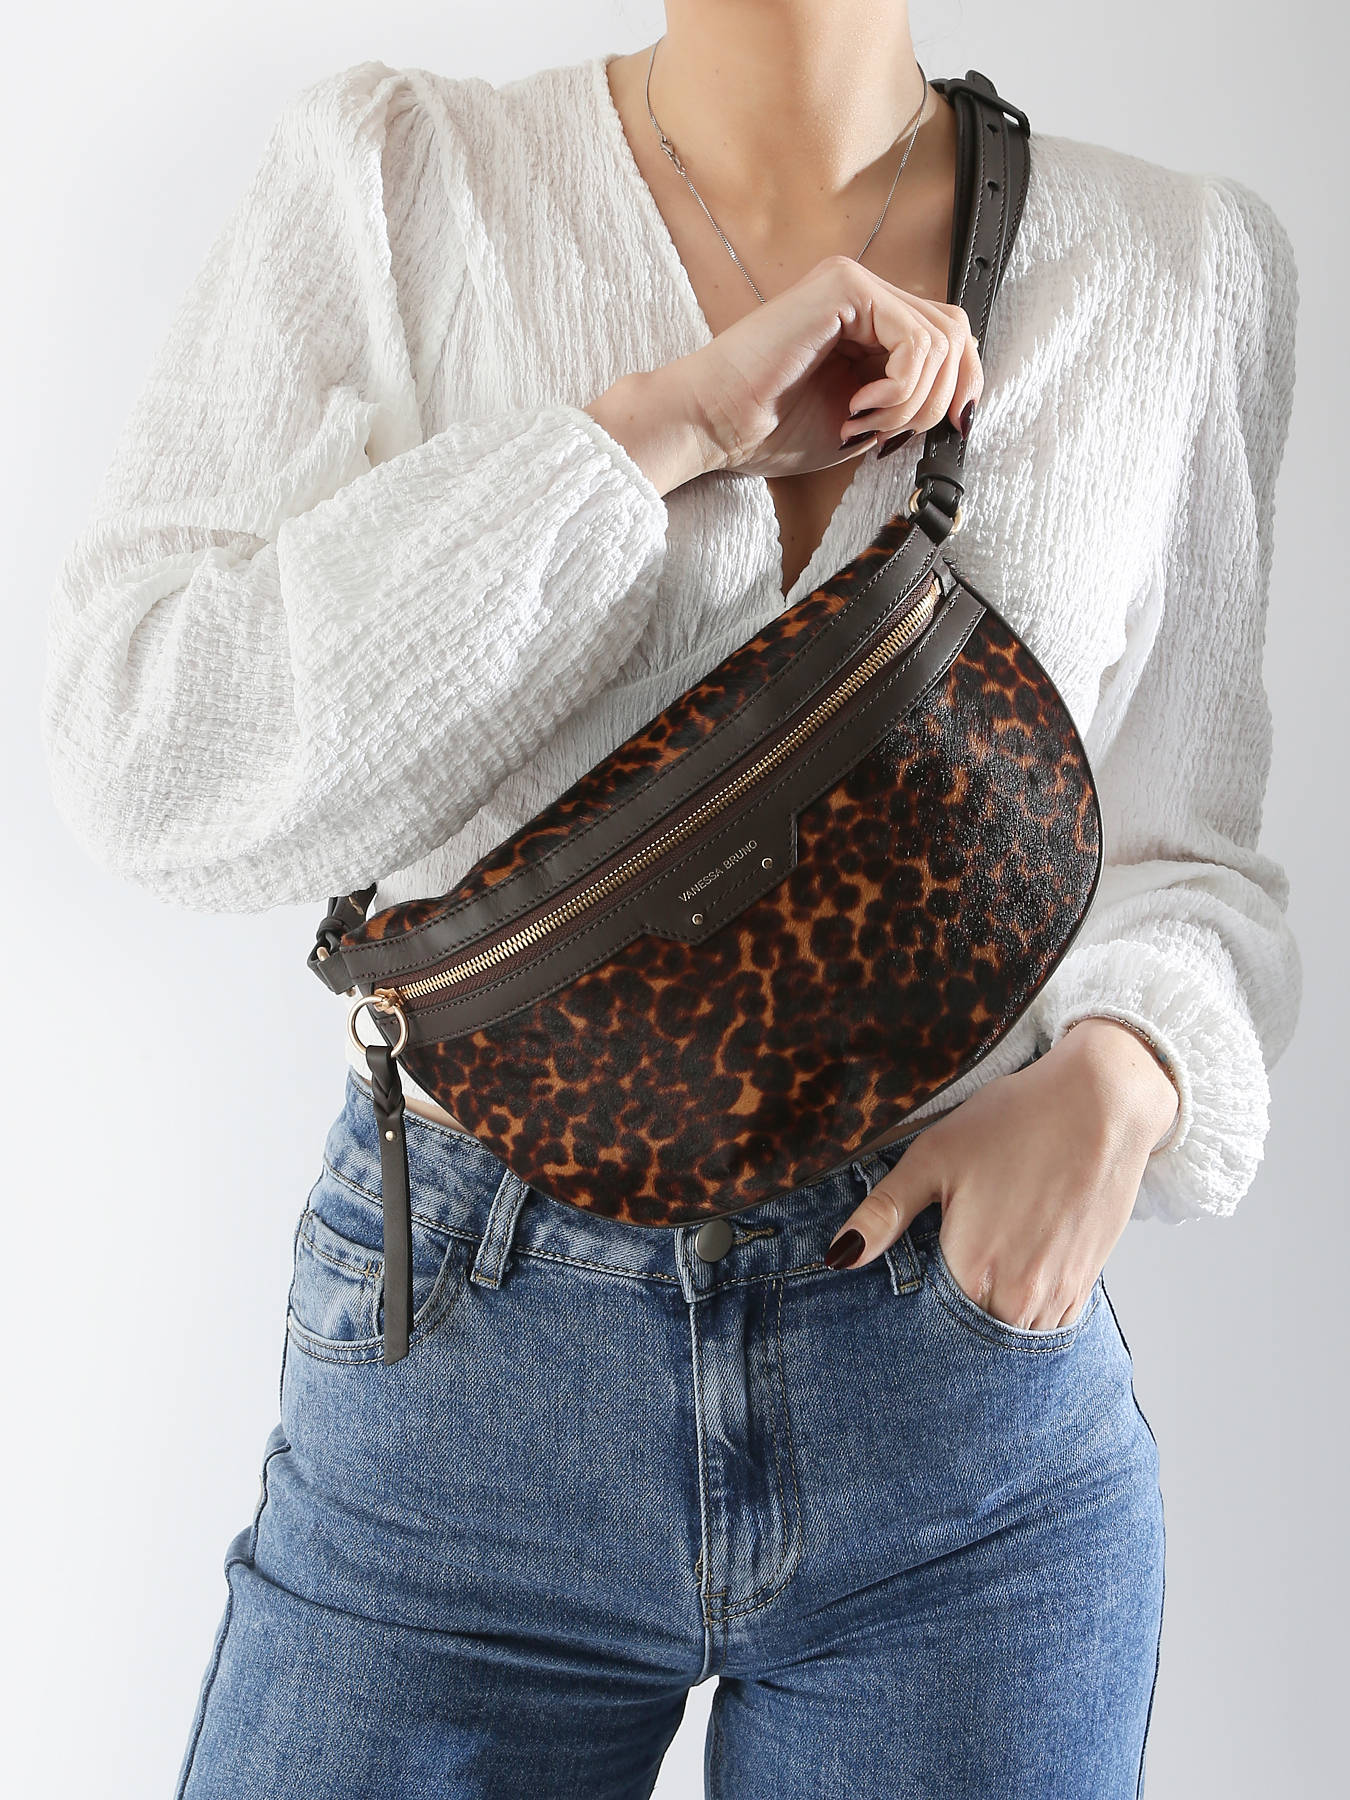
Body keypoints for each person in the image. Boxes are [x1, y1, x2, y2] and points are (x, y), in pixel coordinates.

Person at [40, 4, 1300, 1796]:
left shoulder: (1176, 265)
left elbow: (1191, 859)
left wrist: (1122, 1081)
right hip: (470, 1366)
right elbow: (147, 760)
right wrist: (653, 431)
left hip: (954, 1401)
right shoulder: (399, 184)